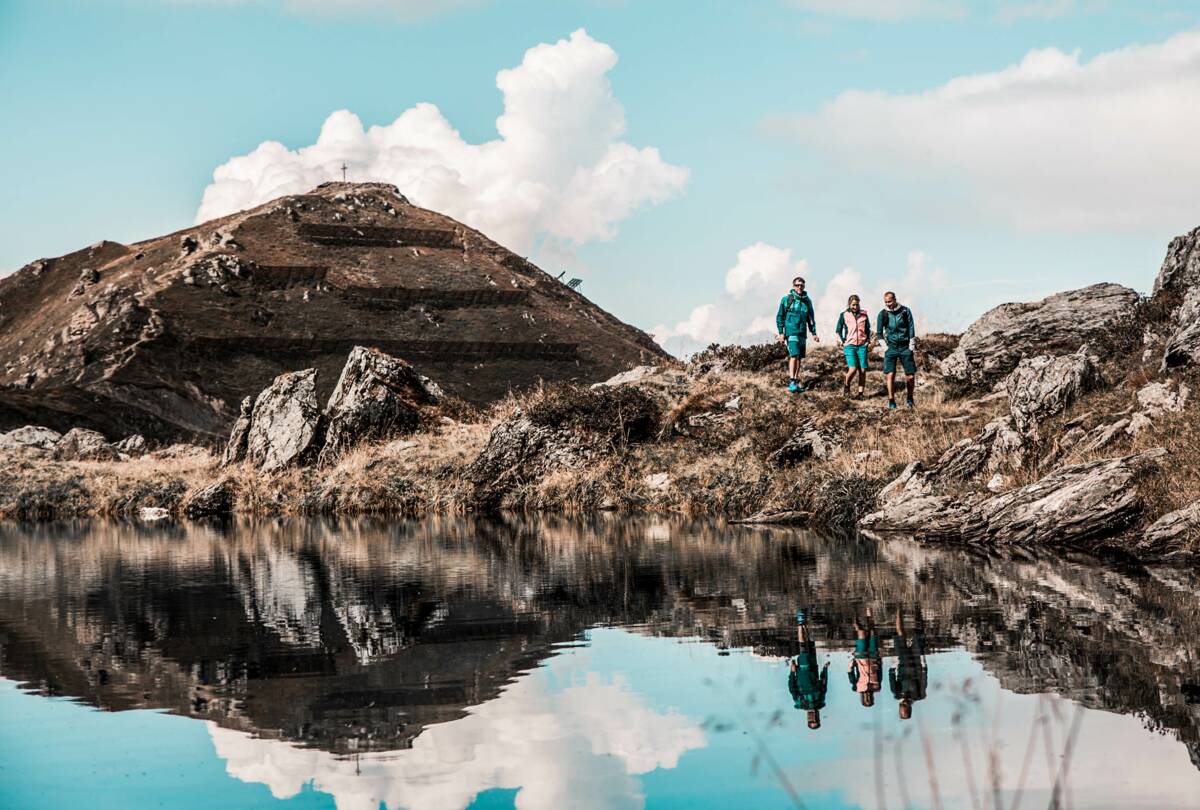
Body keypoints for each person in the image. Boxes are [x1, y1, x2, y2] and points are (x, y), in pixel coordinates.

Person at [775, 277, 819, 393]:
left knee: (799, 357)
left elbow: (811, 318)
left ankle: (795, 380)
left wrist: (813, 333)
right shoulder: (787, 299)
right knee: (794, 355)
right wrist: (781, 332)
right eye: (797, 285)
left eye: (802, 285)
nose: (799, 287)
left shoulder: (807, 301)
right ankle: (792, 381)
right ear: (793, 286)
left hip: (802, 333)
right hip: (791, 332)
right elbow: (780, 316)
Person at [788, 609, 829, 730]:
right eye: (816, 720)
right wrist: (825, 670)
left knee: (803, 647)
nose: (814, 718)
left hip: (802, 669)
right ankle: (805, 622)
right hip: (814, 667)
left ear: (808, 719)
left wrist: (792, 671)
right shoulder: (820, 701)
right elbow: (824, 685)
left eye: (812, 720)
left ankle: (800, 621)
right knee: (810, 643)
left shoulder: (800, 703)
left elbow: (792, 687)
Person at [876, 291, 917, 410]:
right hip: (891, 348)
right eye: (886, 302)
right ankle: (891, 400)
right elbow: (879, 333)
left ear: (895, 300)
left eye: (890, 301)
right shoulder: (882, 314)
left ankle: (910, 398)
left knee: (910, 376)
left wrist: (911, 346)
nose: (888, 304)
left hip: (905, 347)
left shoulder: (905, 311)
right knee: (890, 374)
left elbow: (911, 328)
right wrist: (886, 348)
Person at [889, 606, 928, 721]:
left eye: (902, 706)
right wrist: (923, 663)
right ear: (910, 708)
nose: (905, 703)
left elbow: (891, 675)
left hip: (902, 660)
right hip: (916, 661)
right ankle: (917, 607)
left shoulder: (896, 693)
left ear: (900, 706)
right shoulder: (920, 695)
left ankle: (898, 608)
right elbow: (924, 678)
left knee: (900, 633)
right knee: (918, 632)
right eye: (906, 706)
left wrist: (894, 662)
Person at [835, 294, 872, 399]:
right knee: (853, 368)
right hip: (849, 345)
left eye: (857, 304)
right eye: (853, 305)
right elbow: (838, 330)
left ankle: (860, 394)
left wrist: (867, 340)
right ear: (849, 304)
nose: (855, 307)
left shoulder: (864, 315)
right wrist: (843, 341)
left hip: (862, 345)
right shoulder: (844, 315)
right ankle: (846, 386)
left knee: (863, 370)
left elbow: (868, 329)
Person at [847, 609, 882, 708]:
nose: (868, 698)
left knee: (861, 633)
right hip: (873, 657)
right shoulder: (877, 687)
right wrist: (880, 661)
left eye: (866, 700)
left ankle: (855, 617)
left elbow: (851, 675)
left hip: (861, 657)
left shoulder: (857, 688)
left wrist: (851, 664)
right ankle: (869, 614)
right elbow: (880, 673)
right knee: (872, 632)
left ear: (863, 699)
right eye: (870, 700)